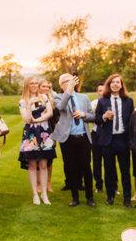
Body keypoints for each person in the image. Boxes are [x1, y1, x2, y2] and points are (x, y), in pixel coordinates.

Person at [52, 73, 96, 207]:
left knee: (86, 167)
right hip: (67, 138)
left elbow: (92, 116)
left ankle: (90, 197)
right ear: (61, 85)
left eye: (71, 80)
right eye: (66, 81)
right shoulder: (58, 97)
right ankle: (75, 197)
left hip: (83, 137)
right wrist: (68, 92)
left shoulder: (84, 97)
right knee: (71, 168)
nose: (70, 83)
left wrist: (84, 115)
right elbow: (61, 107)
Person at [94, 74, 134, 207]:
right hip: (107, 140)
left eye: (118, 82)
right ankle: (110, 196)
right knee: (109, 169)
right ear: (109, 85)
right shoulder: (102, 101)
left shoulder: (128, 101)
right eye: (113, 82)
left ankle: (127, 198)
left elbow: (131, 121)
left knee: (125, 171)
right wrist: (104, 116)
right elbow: (97, 119)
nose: (115, 84)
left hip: (123, 139)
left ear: (122, 85)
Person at [17, 77, 56, 205]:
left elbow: (50, 113)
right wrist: (29, 105)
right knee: (33, 165)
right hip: (31, 134)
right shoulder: (23, 101)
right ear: (27, 85)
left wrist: (38, 120)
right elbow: (27, 119)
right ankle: (35, 194)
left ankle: (44, 194)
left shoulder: (44, 97)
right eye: (31, 83)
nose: (34, 85)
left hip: (44, 132)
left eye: (36, 83)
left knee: (44, 164)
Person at [91, 82, 105, 195]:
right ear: (97, 92)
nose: (102, 92)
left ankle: (112, 186)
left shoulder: (110, 102)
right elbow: (90, 118)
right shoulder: (93, 103)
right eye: (100, 90)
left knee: (109, 161)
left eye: (103, 90)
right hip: (96, 133)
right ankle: (98, 185)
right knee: (96, 161)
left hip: (108, 134)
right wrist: (95, 115)